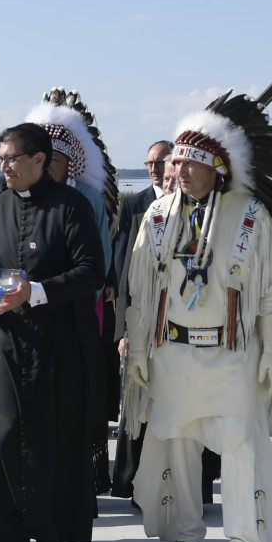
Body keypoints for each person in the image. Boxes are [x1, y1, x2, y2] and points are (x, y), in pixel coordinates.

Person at [124, 91, 272, 542]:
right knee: (178, 445)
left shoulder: (249, 216)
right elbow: (140, 293)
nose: (180, 172)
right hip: (173, 350)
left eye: (191, 164)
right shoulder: (157, 218)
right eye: (177, 163)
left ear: (218, 168)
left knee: (240, 447)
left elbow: (267, 295)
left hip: (231, 350)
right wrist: (137, 349)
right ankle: (186, 533)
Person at [0, 123, 104, 542]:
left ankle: (52, 540)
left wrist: (39, 291)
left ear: (39, 160)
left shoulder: (73, 206)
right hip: (8, 343)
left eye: (9, 158)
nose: (2, 166)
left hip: (58, 344)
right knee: (1, 440)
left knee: (54, 441)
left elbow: (93, 272)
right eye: (0, 159)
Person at [27, 88, 119, 494]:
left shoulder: (87, 200)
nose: (51, 169)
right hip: (33, 309)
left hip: (82, 306)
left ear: (70, 163)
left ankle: (89, 469)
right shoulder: (21, 199)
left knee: (82, 387)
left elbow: (97, 257)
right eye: (46, 161)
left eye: (58, 161)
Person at [109, 139, 173, 499]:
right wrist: (122, 331)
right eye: (149, 163)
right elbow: (123, 276)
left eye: (160, 162)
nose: (154, 169)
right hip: (141, 323)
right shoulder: (135, 206)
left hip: (178, 329)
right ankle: (130, 481)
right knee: (136, 406)